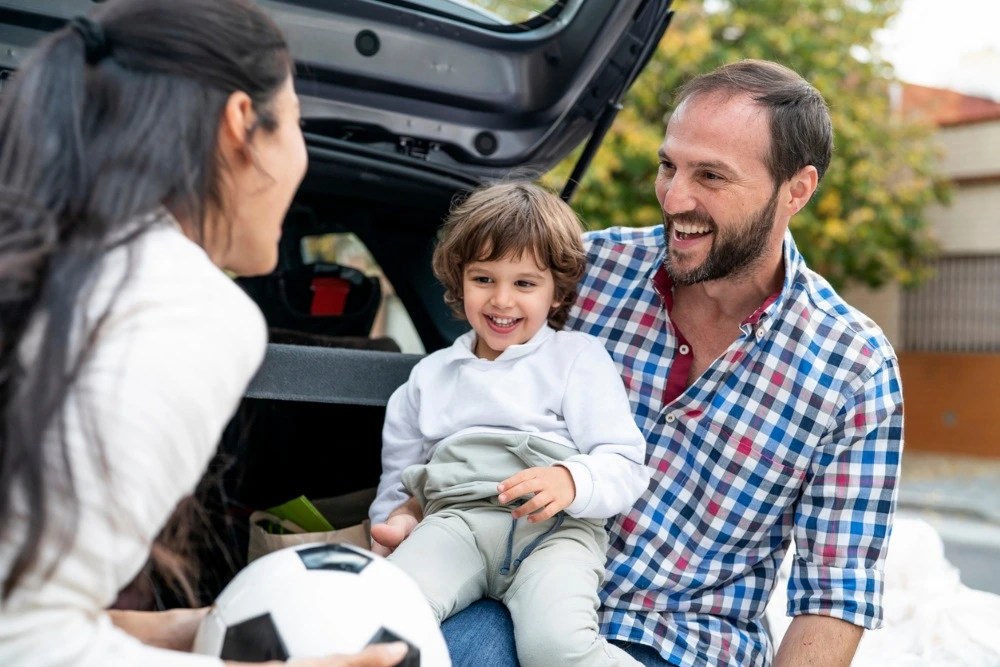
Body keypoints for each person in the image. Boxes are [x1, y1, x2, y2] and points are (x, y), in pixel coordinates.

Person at [374, 59, 905, 667]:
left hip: (688, 644)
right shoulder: (582, 271)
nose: (675, 198)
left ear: (797, 189)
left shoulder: (852, 367)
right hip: (510, 584)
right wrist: (417, 507)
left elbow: (834, 595)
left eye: (711, 175)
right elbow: (469, 393)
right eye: (668, 166)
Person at [0, 1, 407, 666]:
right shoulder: (182, 302)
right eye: (299, 123)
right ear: (242, 123)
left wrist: (168, 631)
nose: (301, 152)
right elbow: (22, 639)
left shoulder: (55, 259)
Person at [368, 181, 652, 667]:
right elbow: (398, 477)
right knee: (386, 616)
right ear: (458, 281)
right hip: (455, 523)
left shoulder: (576, 359)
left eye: (524, 283)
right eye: (484, 279)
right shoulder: (429, 378)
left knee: (556, 648)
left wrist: (569, 478)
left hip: (556, 532)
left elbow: (624, 462)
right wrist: (397, 521)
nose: (501, 300)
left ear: (557, 292)